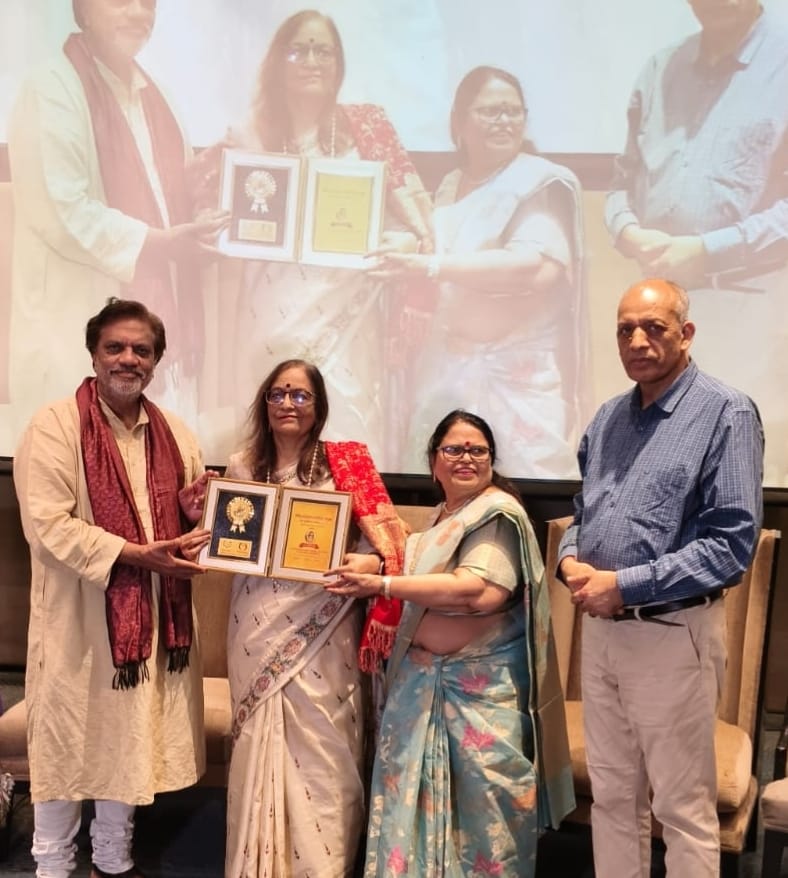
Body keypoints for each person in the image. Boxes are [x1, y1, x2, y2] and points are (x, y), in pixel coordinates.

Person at [558, 278, 764, 877]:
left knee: (682, 807)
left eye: (653, 328)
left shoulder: (726, 412)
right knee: (612, 798)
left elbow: (731, 547)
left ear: (686, 333)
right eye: (626, 330)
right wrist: (569, 560)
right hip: (602, 634)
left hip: (673, 634)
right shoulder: (608, 417)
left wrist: (624, 585)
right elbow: (583, 512)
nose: (637, 341)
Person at [13, 298, 216, 878]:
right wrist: (133, 554)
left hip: (149, 619)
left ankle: (112, 859)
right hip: (79, 619)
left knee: (129, 738)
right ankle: (52, 865)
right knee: (68, 741)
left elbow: (183, 526)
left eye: (141, 350)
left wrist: (192, 514)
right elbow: (48, 527)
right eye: (116, 347)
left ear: (156, 360)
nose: (129, 359)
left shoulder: (175, 433)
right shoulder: (55, 426)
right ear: (94, 354)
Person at [328, 409, 575, 877]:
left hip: (480, 699)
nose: (466, 458)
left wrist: (383, 586)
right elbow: (417, 566)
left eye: (477, 450)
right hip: (419, 691)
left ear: (491, 460)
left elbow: (476, 592)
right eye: (454, 449)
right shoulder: (442, 519)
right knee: (408, 825)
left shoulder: (498, 514)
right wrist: (377, 567)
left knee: (480, 833)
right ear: (434, 462)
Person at [221, 9, 432, 469]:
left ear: (339, 64)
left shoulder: (367, 128)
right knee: (273, 430)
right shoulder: (248, 134)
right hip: (270, 310)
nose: (312, 61)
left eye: (324, 51)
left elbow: (417, 223)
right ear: (278, 61)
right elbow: (220, 220)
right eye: (299, 50)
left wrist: (405, 245)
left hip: (348, 315)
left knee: (346, 427)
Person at [7, 0, 227, 441]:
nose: (137, 12)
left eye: (147, 3)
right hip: (74, 322)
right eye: (121, 0)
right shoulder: (51, 88)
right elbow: (63, 210)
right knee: (74, 462)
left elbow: (175, 197)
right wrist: (160, 242)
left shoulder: (156, 95)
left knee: (157, 465)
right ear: (84, 9)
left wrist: (208, 198)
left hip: (154, 327)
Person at [223, 358, 408, 878]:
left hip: (327, 623)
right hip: (256, 621)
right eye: (278, 393)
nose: (288, 403)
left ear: (319, 407)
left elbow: (392, 541)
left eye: (301, 395)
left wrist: (370, 563)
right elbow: (231, 540)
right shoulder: (241, 467)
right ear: (265, 402)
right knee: (258, 739)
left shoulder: (346, 466)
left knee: (326, 748)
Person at [605, 0, 788, 484]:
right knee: (649, 473)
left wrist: (708, 248)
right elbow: (621, 180)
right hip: (656, 310)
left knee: (736, 475)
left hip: (751, 310)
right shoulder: (660, 68)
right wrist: (626, 228)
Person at [374, 65, 587, 479]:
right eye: (491, 111)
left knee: (521, 494)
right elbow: (439, 248)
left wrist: (433, 266)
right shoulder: (451, 184)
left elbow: (535, 270)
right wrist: (410, 248)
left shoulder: (538, 181)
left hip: (516, 378)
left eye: (513, 111)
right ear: (459, 123)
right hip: (447, 369)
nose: (504, 121)